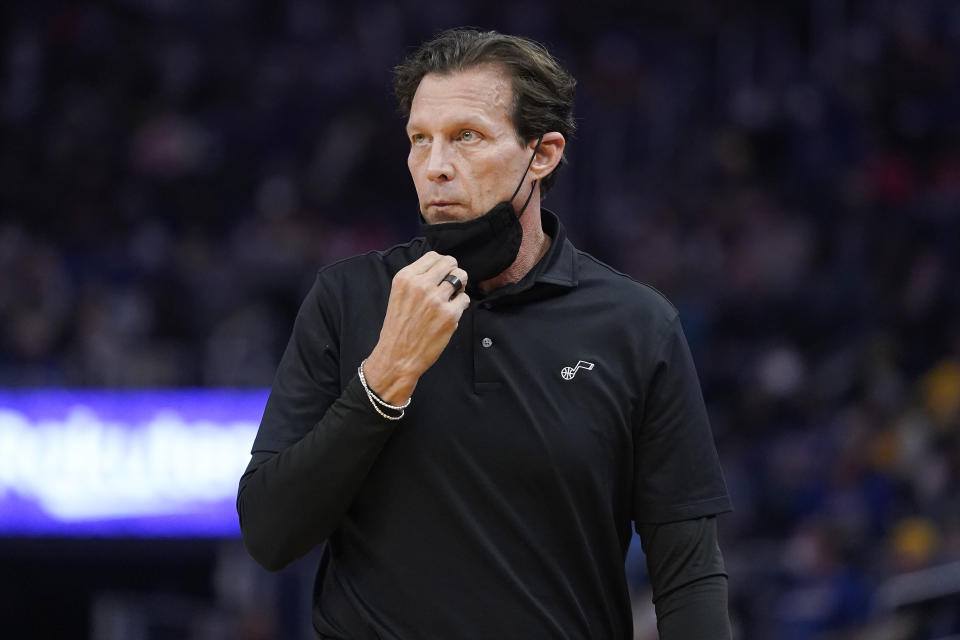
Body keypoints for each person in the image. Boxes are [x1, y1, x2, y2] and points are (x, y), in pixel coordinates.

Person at [237, 28, 732, 639]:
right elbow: (269, 533)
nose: (435, 167)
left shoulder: (636, 324)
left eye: (466, 137)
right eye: (420, 140)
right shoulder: (347, 298)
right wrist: (386, 376)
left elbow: (688, 575)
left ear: (542, 153)